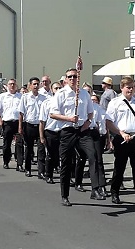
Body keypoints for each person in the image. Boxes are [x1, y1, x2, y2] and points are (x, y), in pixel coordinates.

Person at [50, 68, 103, 206]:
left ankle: (95, 189)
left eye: (75, 76)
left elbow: (90, 112)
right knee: (66, 163)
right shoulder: (61, 94)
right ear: (66, 79)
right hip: (67, 131)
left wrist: (87, 123)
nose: (73, 78)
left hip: (83, 130)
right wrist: (68, 118)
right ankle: (64, 195)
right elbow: (53, 114)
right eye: (70, 77)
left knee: (93, 156)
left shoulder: (84, 94)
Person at [105, 76, 135, 209]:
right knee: (119, 168)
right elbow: (108, 122)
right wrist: (121, 133)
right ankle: (115, 192)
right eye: (128, 87)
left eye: (133, 87)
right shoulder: (115, 102)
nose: (131, 90)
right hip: (121, 139)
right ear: (122, 88)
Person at [18, 77, 46, 178]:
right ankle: (28, 169)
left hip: (40, 126)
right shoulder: (25, 97)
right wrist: (20, 127)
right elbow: (21, 113)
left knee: (41, 149)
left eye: (37, 84)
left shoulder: (43, 98)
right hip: (29, 125)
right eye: (34, 84)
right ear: (29, 86)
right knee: (29, 149)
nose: (36, 86)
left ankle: (41, 171)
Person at [0, 78, 23, 170]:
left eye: (14, 84)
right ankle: (6, 161)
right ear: (7, 86)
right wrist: (0, 120)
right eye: (10, 84)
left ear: (16, 85)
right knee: (7, 144)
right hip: (7, 123)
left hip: (18, 122)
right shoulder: (3, 96)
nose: (12, 86)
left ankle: (19, 163)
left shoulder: (21, 96)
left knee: (19, 144)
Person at [39, 82, 62, 184]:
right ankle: (49, 175)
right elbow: (42, 121)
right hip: (50, 131)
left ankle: (66, 177)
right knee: (51, 155)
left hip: (63, 131)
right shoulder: (47, 103)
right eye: (56, 88)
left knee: (65, 156)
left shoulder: (66, 102)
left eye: (59, 88)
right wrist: (41, 136)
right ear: (52, 90)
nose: (58, 90)